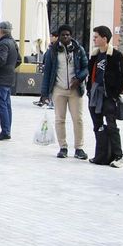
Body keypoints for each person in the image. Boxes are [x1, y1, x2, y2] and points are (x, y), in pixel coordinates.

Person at [39, 25, 89, 159]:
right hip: (58, 89)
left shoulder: (78, 50)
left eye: (68, 35)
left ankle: (79, 148)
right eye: (63, 35)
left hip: (75, 90)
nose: (65, 37)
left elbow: (86, 67)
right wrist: (44, 94)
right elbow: (48, 73)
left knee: (78, 119)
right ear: (59, 37)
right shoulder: (52, 52)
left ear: (71, 36)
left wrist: (78, 79)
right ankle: (63, 147)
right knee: (59, 119)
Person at [86, 25, 123, 166]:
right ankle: (101, 155)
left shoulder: (115, 55)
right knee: (97, 126)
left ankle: (118, 156)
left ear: (104, 38)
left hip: (108, 96)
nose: (94, 39)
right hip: (95, 95)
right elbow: (90, 73)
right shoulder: (95, 55)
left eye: (96, 37)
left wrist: (114, 95)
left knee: (111, 125)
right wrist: (89, 90)